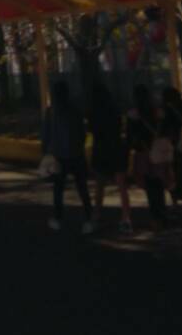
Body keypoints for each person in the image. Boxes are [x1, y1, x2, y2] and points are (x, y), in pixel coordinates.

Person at [42, 79, 94, 233]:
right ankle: (89, 218)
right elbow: (82, 133)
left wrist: (46, 152)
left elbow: (46, 135)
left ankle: (58, 218)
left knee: (58, 189)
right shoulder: (75, 110)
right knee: (82, 188)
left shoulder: (51, 112)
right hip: (76, 154)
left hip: (59, 156)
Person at [89, 79, 132, 235]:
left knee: (100, 185)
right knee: (122, 186)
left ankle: (96, 216)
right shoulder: (115, 109)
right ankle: (126, 218)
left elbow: (93, 130)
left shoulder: (94, 112)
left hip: (101, 149)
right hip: (116, 148)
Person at [127, 84, 168, 227]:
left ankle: (155, 217)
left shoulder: (133, 115)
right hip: (157, 151)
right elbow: (164, 130)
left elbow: (131, 136)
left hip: (143, 153)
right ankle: (162, 213)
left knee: (149, 186)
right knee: (159, 184)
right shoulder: (157, 112)